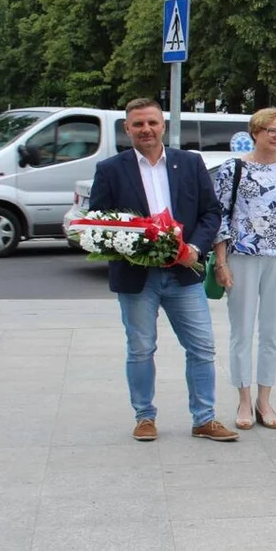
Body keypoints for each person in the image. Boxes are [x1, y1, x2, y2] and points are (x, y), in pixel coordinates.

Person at [88, 98, 237, 442]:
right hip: (136, 276)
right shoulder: (110, 170)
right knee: (141, 348)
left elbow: (211, 213)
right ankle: (144, 417)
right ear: (127, 129)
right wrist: (134, 246)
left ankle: (204, 418)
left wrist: (195, 248)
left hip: (183, 274)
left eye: (152, 123)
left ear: (163, 125)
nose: (146, 130)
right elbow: (99, 222)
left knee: (201, 348)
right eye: (138, 124)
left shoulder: (189, 163)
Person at [212, 107, 276, 431]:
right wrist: (221, 262)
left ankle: (264, 399)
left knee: (271, 332)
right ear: (256, 132)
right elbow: (220, 216)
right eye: (271, 130)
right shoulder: (232, 169)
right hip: (242, 255)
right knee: (242, 331)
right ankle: (243, 398)